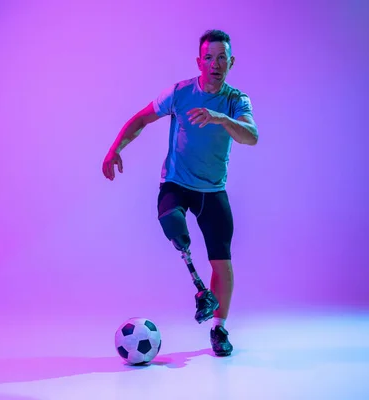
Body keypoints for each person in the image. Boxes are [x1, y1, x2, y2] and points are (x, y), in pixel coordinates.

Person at [102, 29, 259, 357]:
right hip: (176, 184)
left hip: (212, 191)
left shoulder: (235, 100)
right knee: (173, 224)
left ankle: (219, 328)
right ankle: (198, 285)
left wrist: (219, 117)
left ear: (230, 62)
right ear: (199, 61)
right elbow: (142, 118)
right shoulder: (180, 93)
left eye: (221, 58)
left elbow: (251, 137)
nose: (215, 64)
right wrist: (116, 148)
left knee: (223, 265)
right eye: (209, 57)